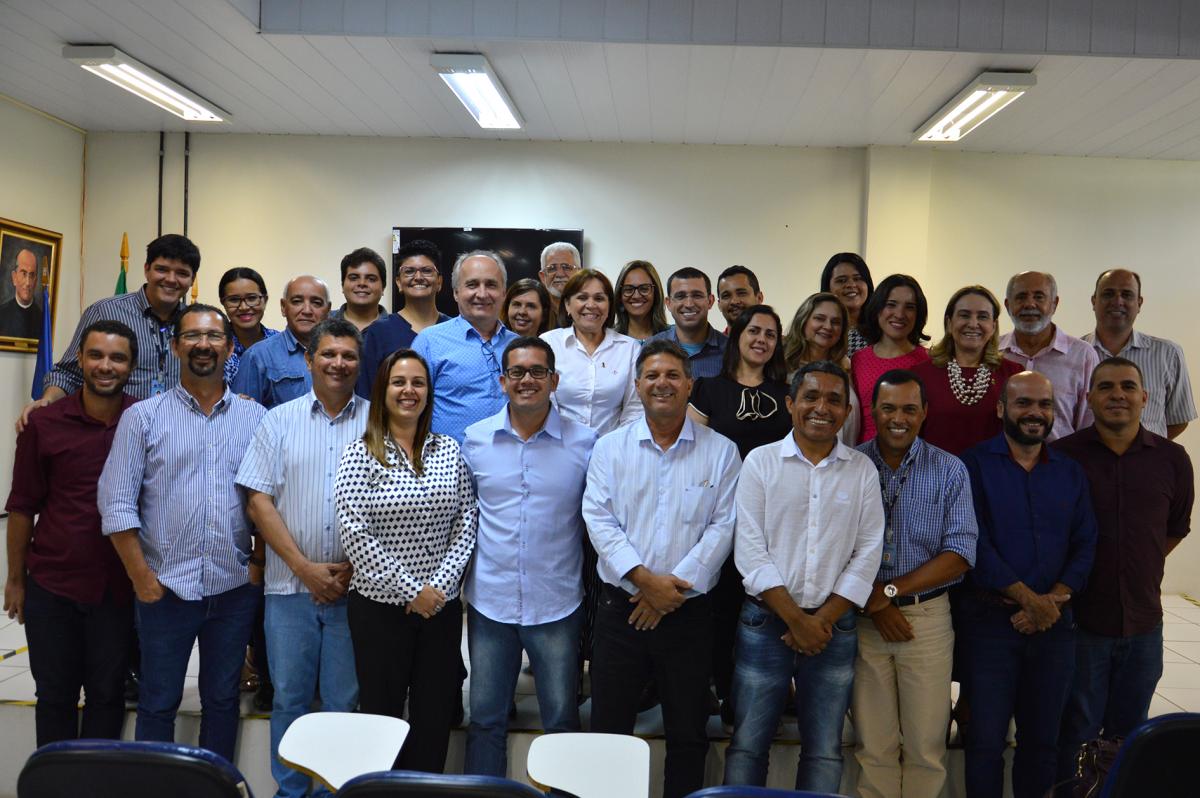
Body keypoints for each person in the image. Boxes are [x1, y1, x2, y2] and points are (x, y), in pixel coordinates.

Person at [98, 304, 267, 762]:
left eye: (214, 337)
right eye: (192, 336)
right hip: (164, 590)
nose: (203, 345)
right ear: (175, 347)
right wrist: (141, 577)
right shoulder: (143, 418)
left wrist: (256, 565)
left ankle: (215, 787)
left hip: (232, 590)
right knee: (157, 703)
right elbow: (115, 505)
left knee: (222, 701)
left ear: (229, 348)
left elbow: (267, 503)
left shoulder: (255, 419)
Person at [583, 339, 740, 798]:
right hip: (621, 612)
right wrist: (646, 582)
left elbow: (723, 527)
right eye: (652, 376)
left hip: (688, 615)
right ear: (637, 386)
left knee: (688, 734)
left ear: (690, 384)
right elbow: (599, 519)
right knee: (608, 732)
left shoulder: (722, 451)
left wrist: (670, 594)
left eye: (673, 375)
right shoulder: (610, 448)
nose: (662, 384)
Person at [724, 360, 884, 793]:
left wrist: (822, 620)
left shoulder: (861, 470)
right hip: (765, 623)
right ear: (791, 403)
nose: (822, 407)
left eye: (835, 400)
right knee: (748, 744)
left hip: (835, 628)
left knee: (825, 747)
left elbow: (867, 553)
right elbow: (751, 551)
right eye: (811, 397)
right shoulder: (760, 463)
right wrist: (797, 620)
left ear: (848, 412)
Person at [236, 318, 367, 798]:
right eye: (328, 354)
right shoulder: (278, 420)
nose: (338, 363)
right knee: (290, 698)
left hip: (355, 590)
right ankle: (291, 793)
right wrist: (304, 568)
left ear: (359, 363)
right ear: (309, 360)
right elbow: (258, 502)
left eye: (348, 356)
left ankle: (335, 791)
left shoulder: (378, 422)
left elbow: (393, 502)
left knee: (342, 701)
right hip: (290, 588)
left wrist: (357, 565)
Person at [335, 349, 478, 773]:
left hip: (440, 609)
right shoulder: (359, 453)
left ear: (428, 392)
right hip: (380, 610)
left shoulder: (448, 450)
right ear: (383, 390)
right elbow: (354, 532)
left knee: (434, 716)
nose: (409, 390)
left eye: (418, 382)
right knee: (381, 716)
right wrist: (413, 591)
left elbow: (467, 520)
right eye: (399, 382)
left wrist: (438, 589)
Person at [461, 337, 597, 776]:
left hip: (557, 603)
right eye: (517, 372)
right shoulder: (475, 440)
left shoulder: (587, 443)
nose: (527, 380)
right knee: (484, 721)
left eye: (538, 371)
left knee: (560, 721)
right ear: (502, 381)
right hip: (490, 604)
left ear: (554, 380)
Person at [959, 371, 1098, 798]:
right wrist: (1027, 600)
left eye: (1043, 404)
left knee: (1042, 744)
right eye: (1023, 403)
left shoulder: (1070, 473)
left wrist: (1049, 603)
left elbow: (1086, 542)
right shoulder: (972, 466)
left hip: (1054, 629)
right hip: (988, 628)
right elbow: (973, 542)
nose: (1035, 413)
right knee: (983, 743)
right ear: (1002, 409)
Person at [1055, 357, 1194, 780]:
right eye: (1107, 387)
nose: (1118, 394)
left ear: (1144, 398)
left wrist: (1138, 564)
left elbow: (1175, 527)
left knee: (1131, 735)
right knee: (1076, 731)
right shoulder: (1062, 458)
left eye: (1128, 387)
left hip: (1144, 623)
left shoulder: (1172, 459)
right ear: (1089, 397)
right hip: (1082, 622)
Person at [4, 320, 138, 746]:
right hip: (53, 585)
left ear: (131, 366)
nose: (105, 366)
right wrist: (15, 578)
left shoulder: (145, 421)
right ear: (79, 359)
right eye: (96, 355)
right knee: (55, 697)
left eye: (117, 358)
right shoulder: (44, 424)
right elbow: (22, 507)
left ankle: (98, 785)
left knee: (107, 696)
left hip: (118, 587)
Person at [852, 370, 978, 798]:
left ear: (924, 413)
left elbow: (960, 553)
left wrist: (889, 594)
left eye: (909, 408)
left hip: (924, 620)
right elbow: (831, 543)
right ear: (873, 411)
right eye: (888, 408)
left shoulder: (950, 470)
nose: (898, 418)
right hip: (862, 620)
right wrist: (878, 606)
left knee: (926, 746)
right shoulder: (850, 464)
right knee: (874, 745)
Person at [687, 304, 792, 724]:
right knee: (722, 609)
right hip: (721, 517)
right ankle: (722, 693)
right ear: (737, 335)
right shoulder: (709, 389)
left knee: (766, 607)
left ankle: (769, 695)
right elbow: (694, 457)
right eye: (754, 331)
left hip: (773, 519)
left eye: (770, 333)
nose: (761, 339)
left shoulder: (786, 393)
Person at [20, 234, 199, 430]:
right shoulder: (104, 312)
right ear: (147, 270)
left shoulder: (197, 324)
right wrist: (47, 400)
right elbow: (69, 373)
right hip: (114, 433)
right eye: (162, 269)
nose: (171, 279)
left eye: (182, 273)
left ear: (192, 279)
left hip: (175, 435)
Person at [412, 250, 518, 442]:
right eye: (472, 285)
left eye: (491, 285)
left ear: (504, 293)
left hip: (508, 464)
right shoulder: (429, 341)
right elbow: (410, 410)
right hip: (449, 466)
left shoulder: (518, 346)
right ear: (455, 292)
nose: (482, 293)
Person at [1083, 268, 1196, 439]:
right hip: (1087, 462)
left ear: (1139, 303)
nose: (1117, 301)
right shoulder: (1074, 354)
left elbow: (1178, 419)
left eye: (1127, 294)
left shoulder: (1168, 354)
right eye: (1108, 294)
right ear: (1094, 301)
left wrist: (1143, 450)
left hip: (1148, 462)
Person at [915, 286, 1022, 455]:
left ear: (993, 326)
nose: (973, 324)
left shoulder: (1013, 374)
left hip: (993, 477)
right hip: (936, 477)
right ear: (949, 323)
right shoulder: (920, 375)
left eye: (982, 317)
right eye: (964, 315)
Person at [999, 271, 1098, 441]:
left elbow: (1089, 424)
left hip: (1063, 463)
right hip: (1000, 463)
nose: (1030, 304)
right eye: (1021, 297)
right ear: (1008, 305)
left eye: (1039, 297)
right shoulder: (993, 353)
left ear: (1054, 304)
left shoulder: (1082, 355)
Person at [541, 269, 642, 434]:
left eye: (599, 298)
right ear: (567, 305)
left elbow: (634, 408)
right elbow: (545, 403)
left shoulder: (629, 348)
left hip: (612, 450)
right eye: (582, 297)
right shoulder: (548, 343)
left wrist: (616, 446)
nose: (591, 305)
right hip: (558, 447)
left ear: (609, 306)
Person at [358, 239, 450, 398]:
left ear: (440, 282)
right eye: (409, 271)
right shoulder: (379, 332)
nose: (418, 277)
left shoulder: (455, 330)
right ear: (398, 282)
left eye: (427, 270)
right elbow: (366, 395)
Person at [851, 274, 931, 443]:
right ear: (877, 308)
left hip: (909, 460)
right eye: (891, 305)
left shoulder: (927, 362)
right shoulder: (858, 359)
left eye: (909, 307)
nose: (899, 314)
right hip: (862, 459)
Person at [232, 275, 331, 408]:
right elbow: (242, 417)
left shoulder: (341, 356)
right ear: (283, 307)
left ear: (328, 310)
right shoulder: (257, 356)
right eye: (297, 301)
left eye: (316, 303)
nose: (307, 310)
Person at [783, 291, 860, 445]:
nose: (828, 326)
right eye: (819, 318)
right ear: (803, 320)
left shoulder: (848, 367)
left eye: (836, 322)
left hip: (845, 458)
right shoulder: (782, 366)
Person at [650, 267, 728, 379]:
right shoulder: (651, 347)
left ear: (710, 301)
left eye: (697, 295)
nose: (689, 304)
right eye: (680, 296)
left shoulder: (731, 350)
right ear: (668, 303)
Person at [218, 267, 278, 384]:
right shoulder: (215, 345)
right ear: (223, 303)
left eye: (252, 298)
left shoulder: (280, 344)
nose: (244, 307)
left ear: (264, 300)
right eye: (234, 300)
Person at [820, 252, 874, 357]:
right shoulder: (818, 329)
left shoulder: (881, 330)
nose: (851, 285)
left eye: (858, 278)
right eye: (841, 280)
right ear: (828, 288)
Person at [332, 247, 387, 331]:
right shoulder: (323, 322)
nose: (362, 283)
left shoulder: (396, 328)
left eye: (371, 279)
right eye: (354, 278)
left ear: (383, 287)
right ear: (342, 285)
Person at [614, 259, 669, 342]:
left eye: (644, 289)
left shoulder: (672, 337)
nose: (636, 296)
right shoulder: (609, 339)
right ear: (619, 296)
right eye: (629, 289)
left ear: (656, 293)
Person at [0, 247, 42, 339]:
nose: (27, 283)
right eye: (23, 274)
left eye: (31, 275)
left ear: (36, 281)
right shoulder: (1, 314)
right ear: (14, 277)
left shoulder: (43, 319)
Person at [538, 241, 580, 320]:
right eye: (552, 268)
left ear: (579, 273)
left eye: (566, 267)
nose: (560, 274)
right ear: (543, 277)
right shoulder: (535, 313)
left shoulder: (588, 310)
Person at [716, 265, 763, 332]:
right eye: (726, 296)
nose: (734, 301)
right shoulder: (713, 342)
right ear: (719, 305)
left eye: (741, 293)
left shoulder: (778, 342)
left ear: (759, 298)